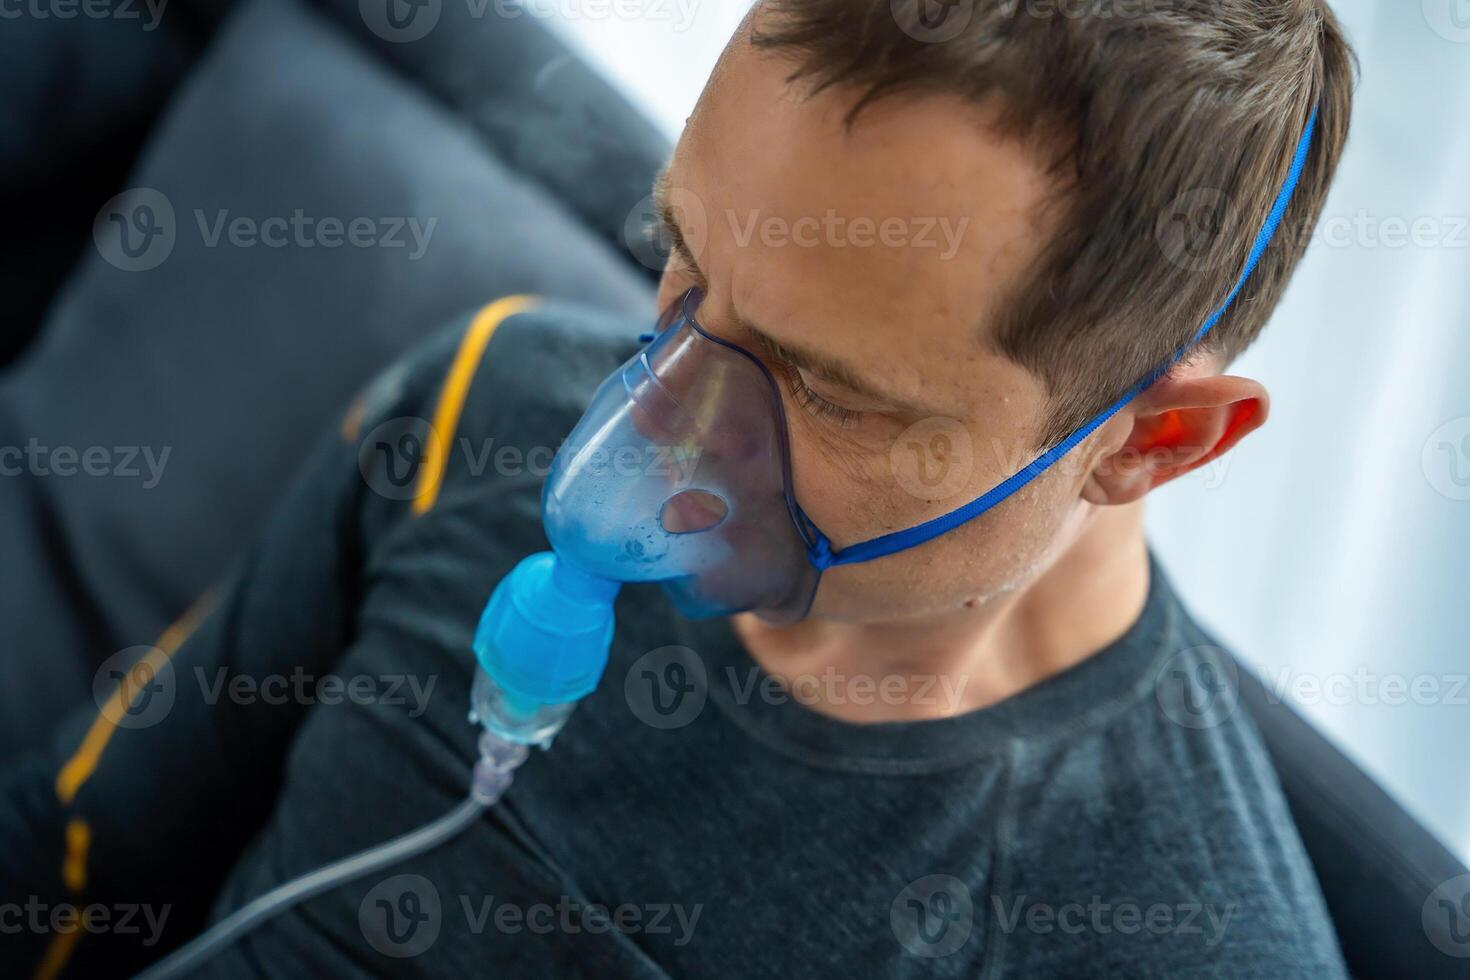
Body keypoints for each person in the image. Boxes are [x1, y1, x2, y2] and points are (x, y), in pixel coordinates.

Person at [3, 0, 1414, 976]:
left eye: (829, 389)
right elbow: (71, 860)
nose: (652, 435)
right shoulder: (481, 404)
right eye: (680, 260)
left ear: (1148, 443)